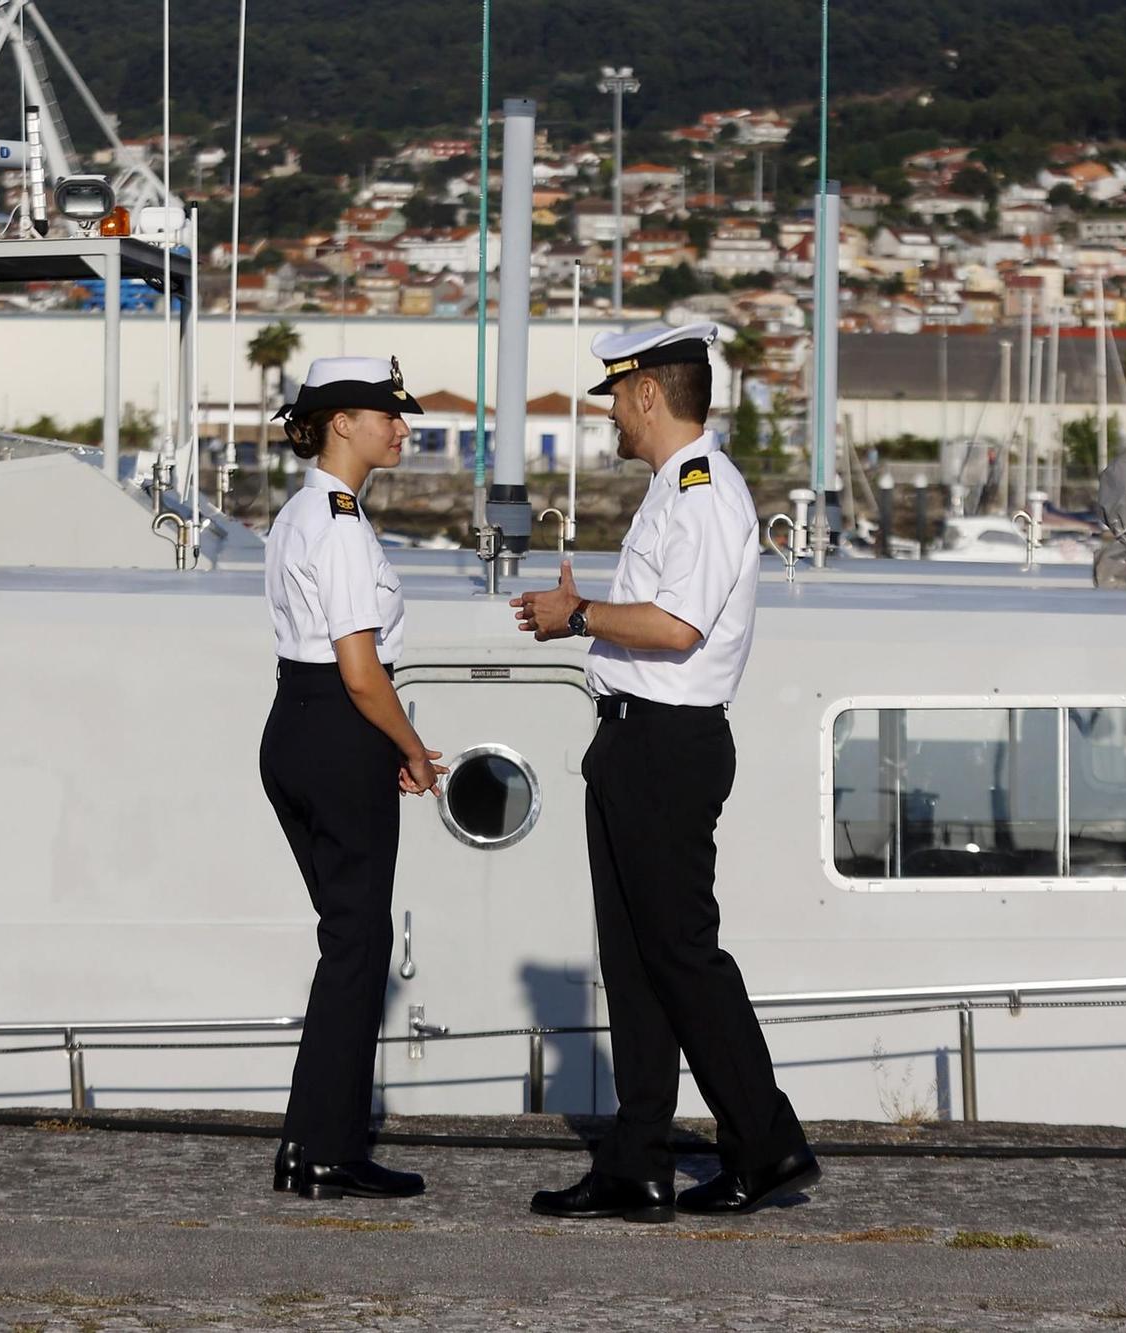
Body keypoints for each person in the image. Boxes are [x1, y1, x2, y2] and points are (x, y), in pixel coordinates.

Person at [511, 323, 816, 1223]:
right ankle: (637, 1160)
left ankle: (767, 1142)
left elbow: (678, 627)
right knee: (636, 961)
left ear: (649, 392)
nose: (609, 409)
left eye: (615, 393)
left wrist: (579, 616)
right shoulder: (673, 492)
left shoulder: (704, 491)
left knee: (681, 952)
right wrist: (589, 621)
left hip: (667, 744)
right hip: (632, 738)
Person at [262, 355, 447, 1201]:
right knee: (357, 942)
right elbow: (362, 669)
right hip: (341, 724)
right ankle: (324, 1150)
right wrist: (410, 747)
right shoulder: (338, 522)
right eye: (387, 414)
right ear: (343, 421)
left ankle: (312, 1144)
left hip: (297, 721)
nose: (402, 427)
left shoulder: (304, 511)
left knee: (348, 937)